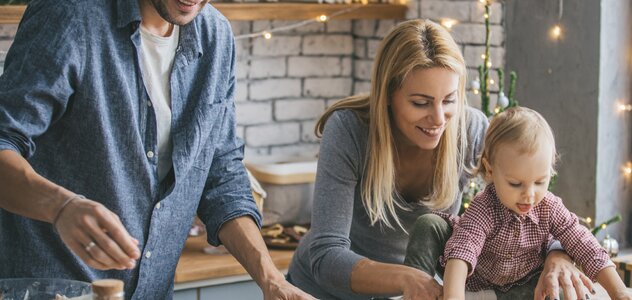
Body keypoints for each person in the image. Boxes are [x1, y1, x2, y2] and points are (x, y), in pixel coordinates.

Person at [0, 0, 313, 299]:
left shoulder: (215, 36)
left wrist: (271, 280)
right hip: (53, 286)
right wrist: (61, 207)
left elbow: (221, 174)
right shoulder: (70, 16)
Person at [287, 19, 594, 300]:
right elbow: (326, 257)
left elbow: (535, 207)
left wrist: (557, 254)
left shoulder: (471, 129)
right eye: (420, 102)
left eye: (449, 100)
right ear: (388, 95)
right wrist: (410, 279)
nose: (438, 118)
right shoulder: (349, 130)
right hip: (317, 293)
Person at [405, 107, 632, 300]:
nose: (529, 195)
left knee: (563, 289)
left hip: (522, 287)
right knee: (429, 224)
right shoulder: (485, 206)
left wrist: (621, 293)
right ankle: (422, 293)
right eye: (515, 184)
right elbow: (462, 251)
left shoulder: (549, 206)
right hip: (471, 282)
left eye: (540, 182)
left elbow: (584, 244)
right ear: (491, 170)